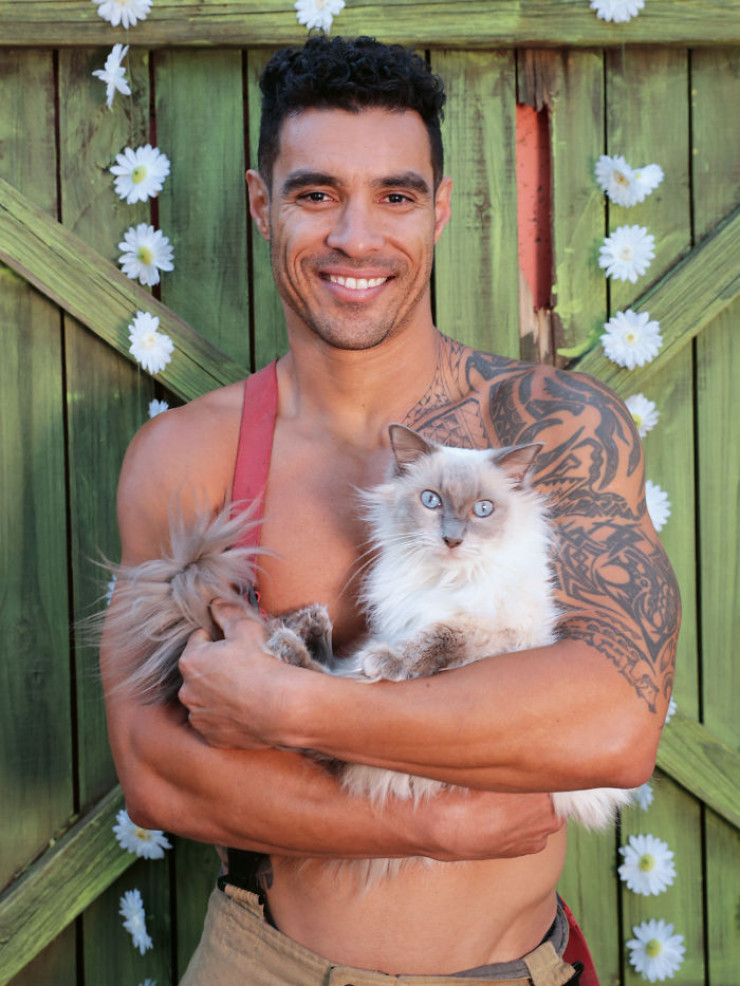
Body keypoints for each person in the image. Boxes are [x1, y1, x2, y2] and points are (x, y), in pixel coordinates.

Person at [101, 35, 680, 986]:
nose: (356, 238)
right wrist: (430, 823)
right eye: (316, 194)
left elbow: (614, 726)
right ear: (262, 205)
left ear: (440, 210)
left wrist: (290, 705)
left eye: (396, 197)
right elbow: (157, 774)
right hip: (264, 967)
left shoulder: (554, 427)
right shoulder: (189, 458)